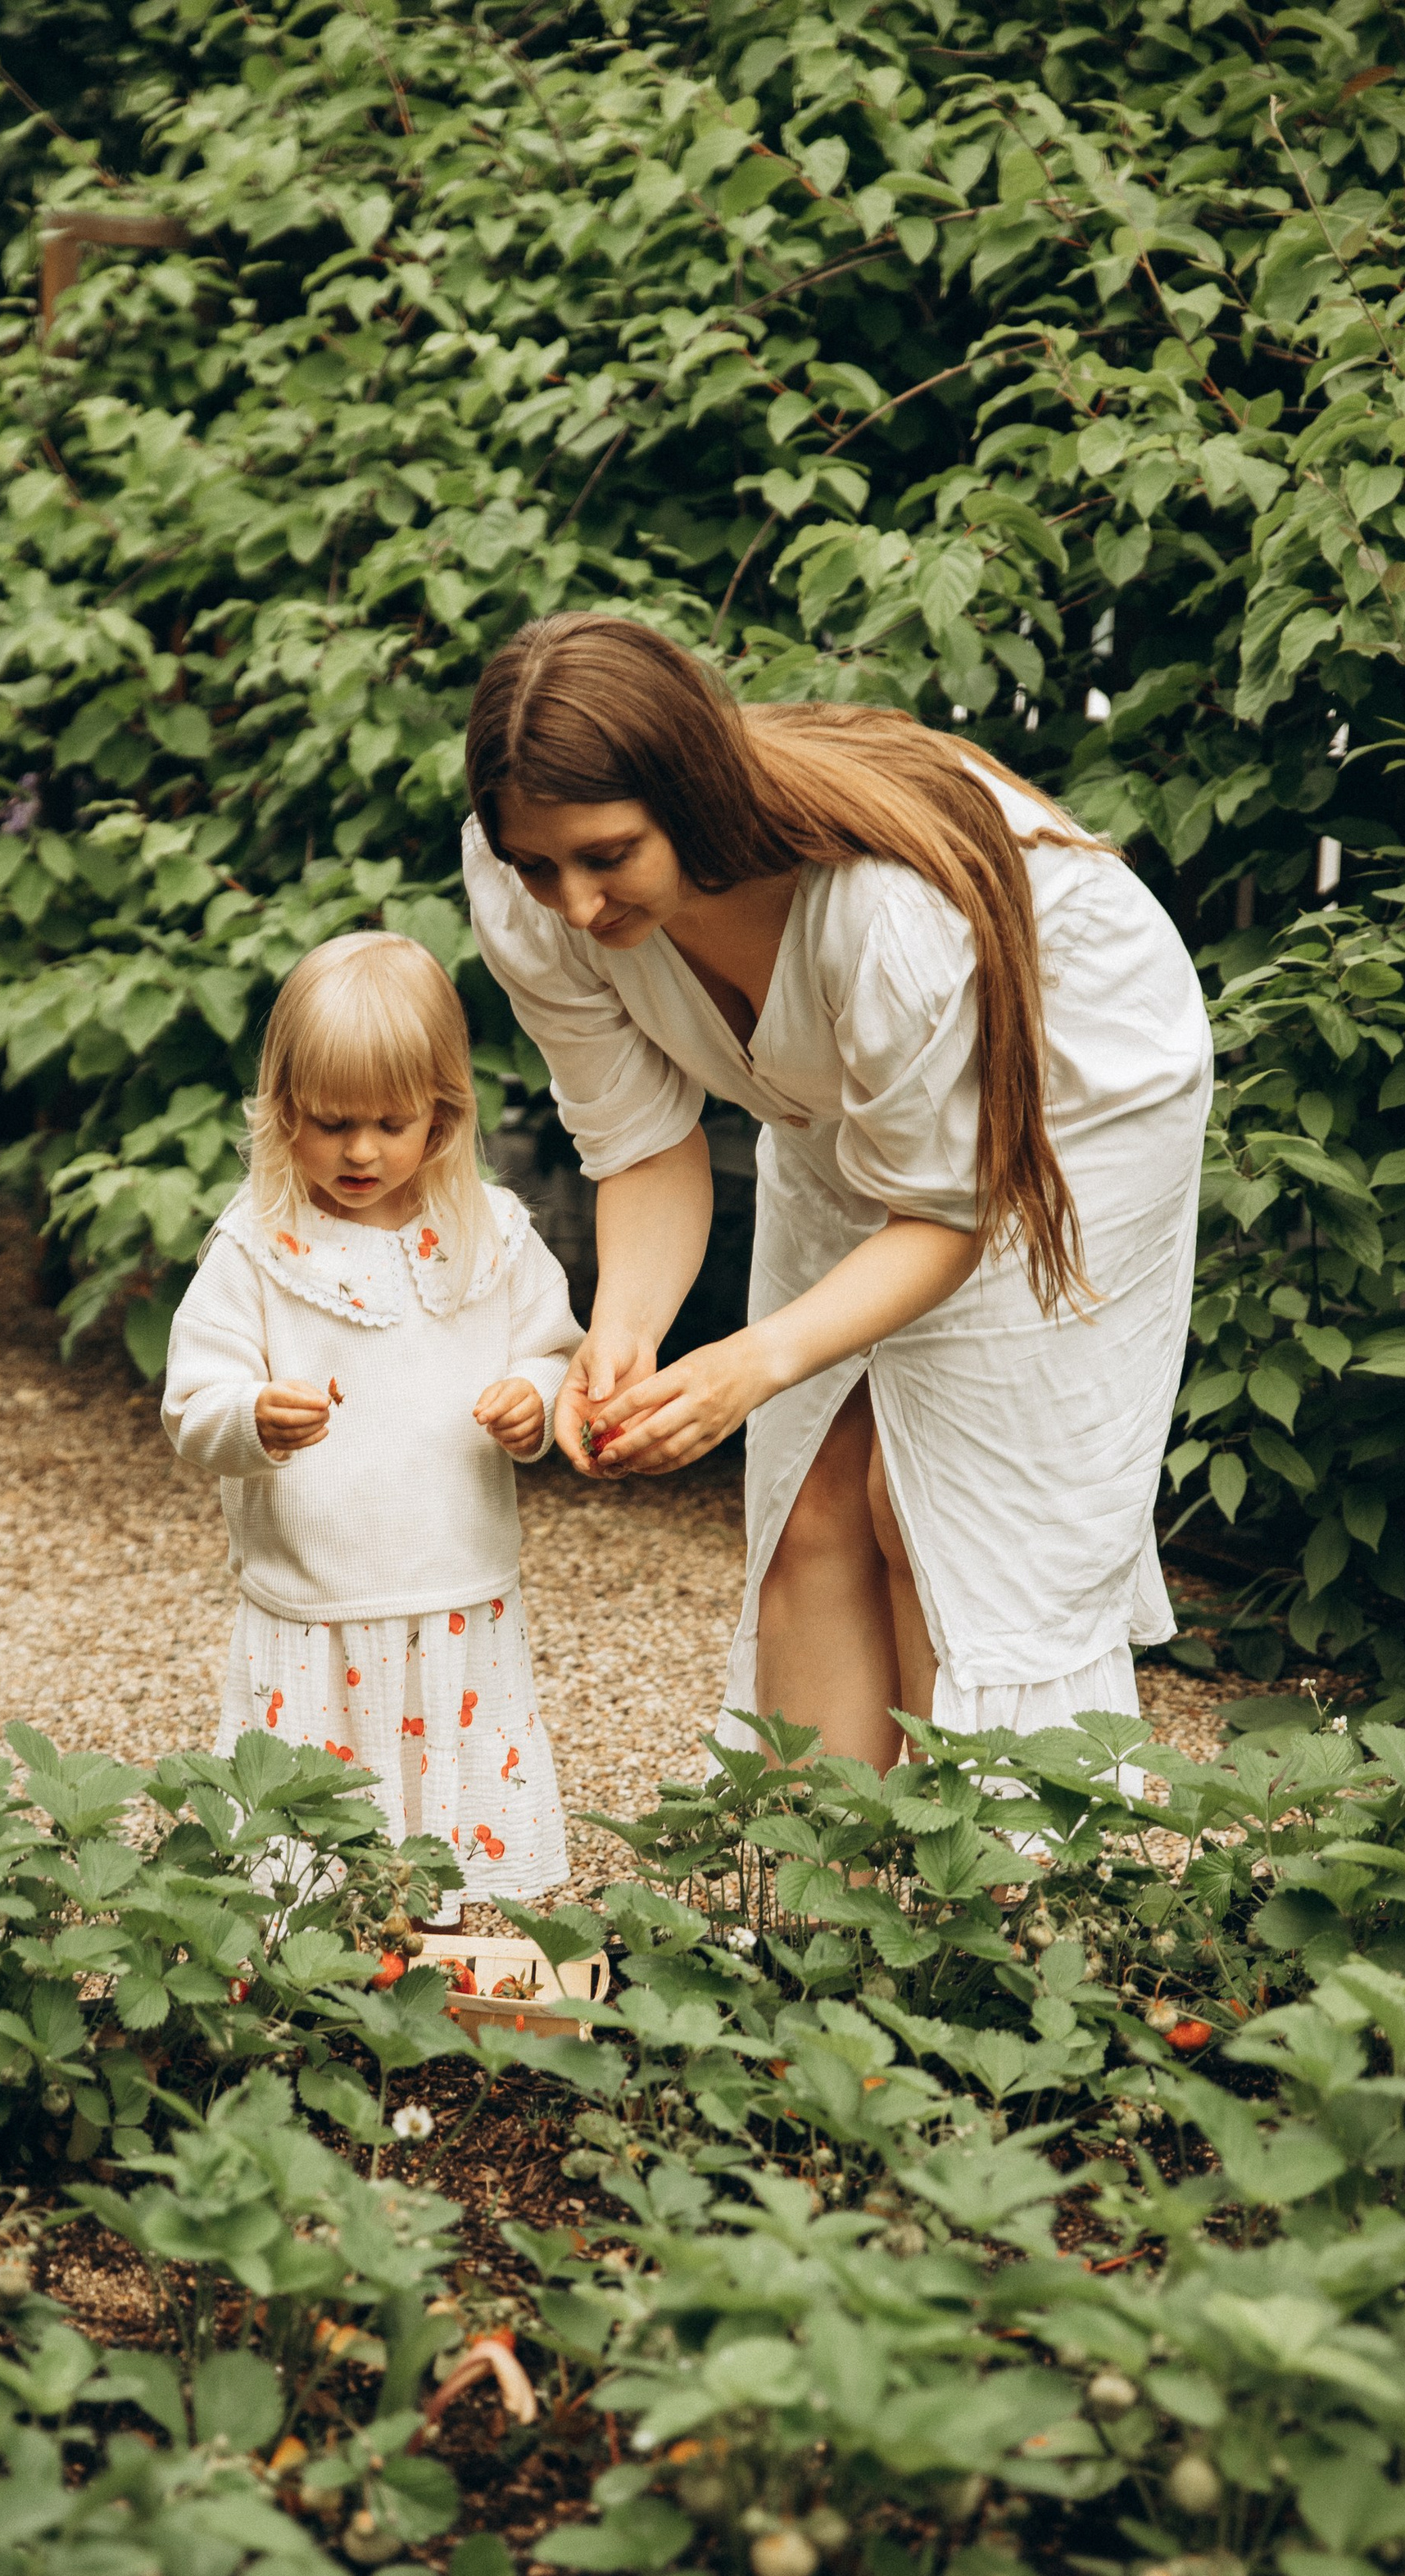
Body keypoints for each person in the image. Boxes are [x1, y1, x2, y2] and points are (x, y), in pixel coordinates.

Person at [461, 613, 1213, 1771]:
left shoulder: (884, 912)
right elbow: (644, 1146)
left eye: (607, 856)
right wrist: (627, 1334)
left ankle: (996, 1914)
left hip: (1076, 1084)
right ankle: (813, 1916)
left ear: (696, 797)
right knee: (812, 1506)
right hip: (846, 1095)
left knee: (943, 1524)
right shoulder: (534, 894)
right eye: (538, 864)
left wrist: (752, 1359)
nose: (574, 905)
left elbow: (948, 1214)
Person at [162, 930, 579, 1909]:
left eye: (391, 1122)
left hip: (457, 1591)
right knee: (311, 1831)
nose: (359, 1150)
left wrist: (536, 1403)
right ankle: (312, 1966)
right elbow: (193, 1405)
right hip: (316, 1602)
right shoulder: (260, 1246)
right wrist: (254, 1418)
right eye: (330, 1122)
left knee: (451, 1815)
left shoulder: (491, 1232)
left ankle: (449, 1957)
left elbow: (554, 1350)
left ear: (443, 1114)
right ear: (280, 1113)